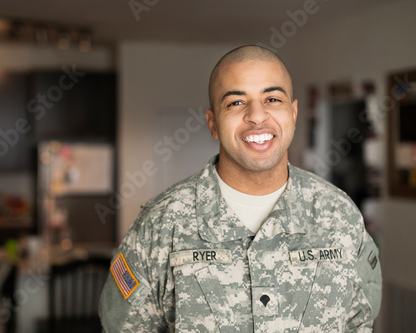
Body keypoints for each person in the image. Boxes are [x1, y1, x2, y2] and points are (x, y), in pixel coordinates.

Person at [98, 45, 382, 332]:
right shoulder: (159, 226)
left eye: (272, 99)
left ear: (293, 113)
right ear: (213, 124)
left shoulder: (340, 216)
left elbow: (360, 322)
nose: (257, 116)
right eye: (236, 103)